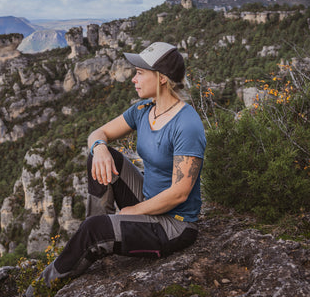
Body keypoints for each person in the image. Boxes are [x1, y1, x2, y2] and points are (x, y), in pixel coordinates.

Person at [25, 42, 206, 296]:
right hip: (148, 198)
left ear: (162, 78)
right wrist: (99, 148)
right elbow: (98, 134)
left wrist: (133, 210)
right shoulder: (144, 110)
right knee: (99, 156)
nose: (133, 79)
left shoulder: (187, 124)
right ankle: (99, 233)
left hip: (174, 224)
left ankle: (37, 290)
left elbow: (180, 193)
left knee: (93, 230)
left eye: (141, 73)